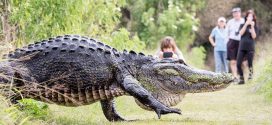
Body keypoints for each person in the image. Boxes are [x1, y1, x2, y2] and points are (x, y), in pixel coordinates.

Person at [237, 10, 258, 84]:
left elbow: (254, 36)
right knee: (238, 64)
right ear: (246, 17)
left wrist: (252, 26)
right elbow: (241, 33)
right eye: (248, 16)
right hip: (242, 47)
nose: (249, 17)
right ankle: (242, 78)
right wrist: (246, 24)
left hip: (250, 47)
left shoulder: (255, 26)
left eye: (251, 16)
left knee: (250, 64)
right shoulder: (242, 24)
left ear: (253, 18)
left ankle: (250, 77)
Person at [226, 7, 245, 81]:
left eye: (237, 12)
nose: (236, 14)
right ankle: (235, 77)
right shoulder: (230, 22)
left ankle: (243, 76)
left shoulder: (244, 21)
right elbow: (226, 33)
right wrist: (227, 42)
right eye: (234, 13)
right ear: (233, 14)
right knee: (233, 61)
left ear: (240, 13)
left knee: (243, 62)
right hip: (232, 42)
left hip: (241, 42)